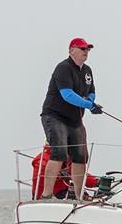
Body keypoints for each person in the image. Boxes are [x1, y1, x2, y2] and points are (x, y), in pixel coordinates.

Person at [39, 37, 103, 201]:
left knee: (81, 155)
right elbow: (67, 95)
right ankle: (46, 195)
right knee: (59, 152)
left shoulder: (87, 70)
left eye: (87, 49)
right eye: (82, 49)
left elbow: (91, 91)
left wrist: (90, 101)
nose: (85, 52)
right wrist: (89, 106)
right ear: (71, 50)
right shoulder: (63, 68)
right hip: (55, 116)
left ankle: (78, 195)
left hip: (75, 119)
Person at [31, 145, 98, 200]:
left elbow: (79, 175)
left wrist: (97, 181)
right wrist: (64, 175)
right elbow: (41, 176)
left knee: (81, 195)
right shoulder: (43, 159)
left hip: (62, 193)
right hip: (43, 196)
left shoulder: (67, 159)